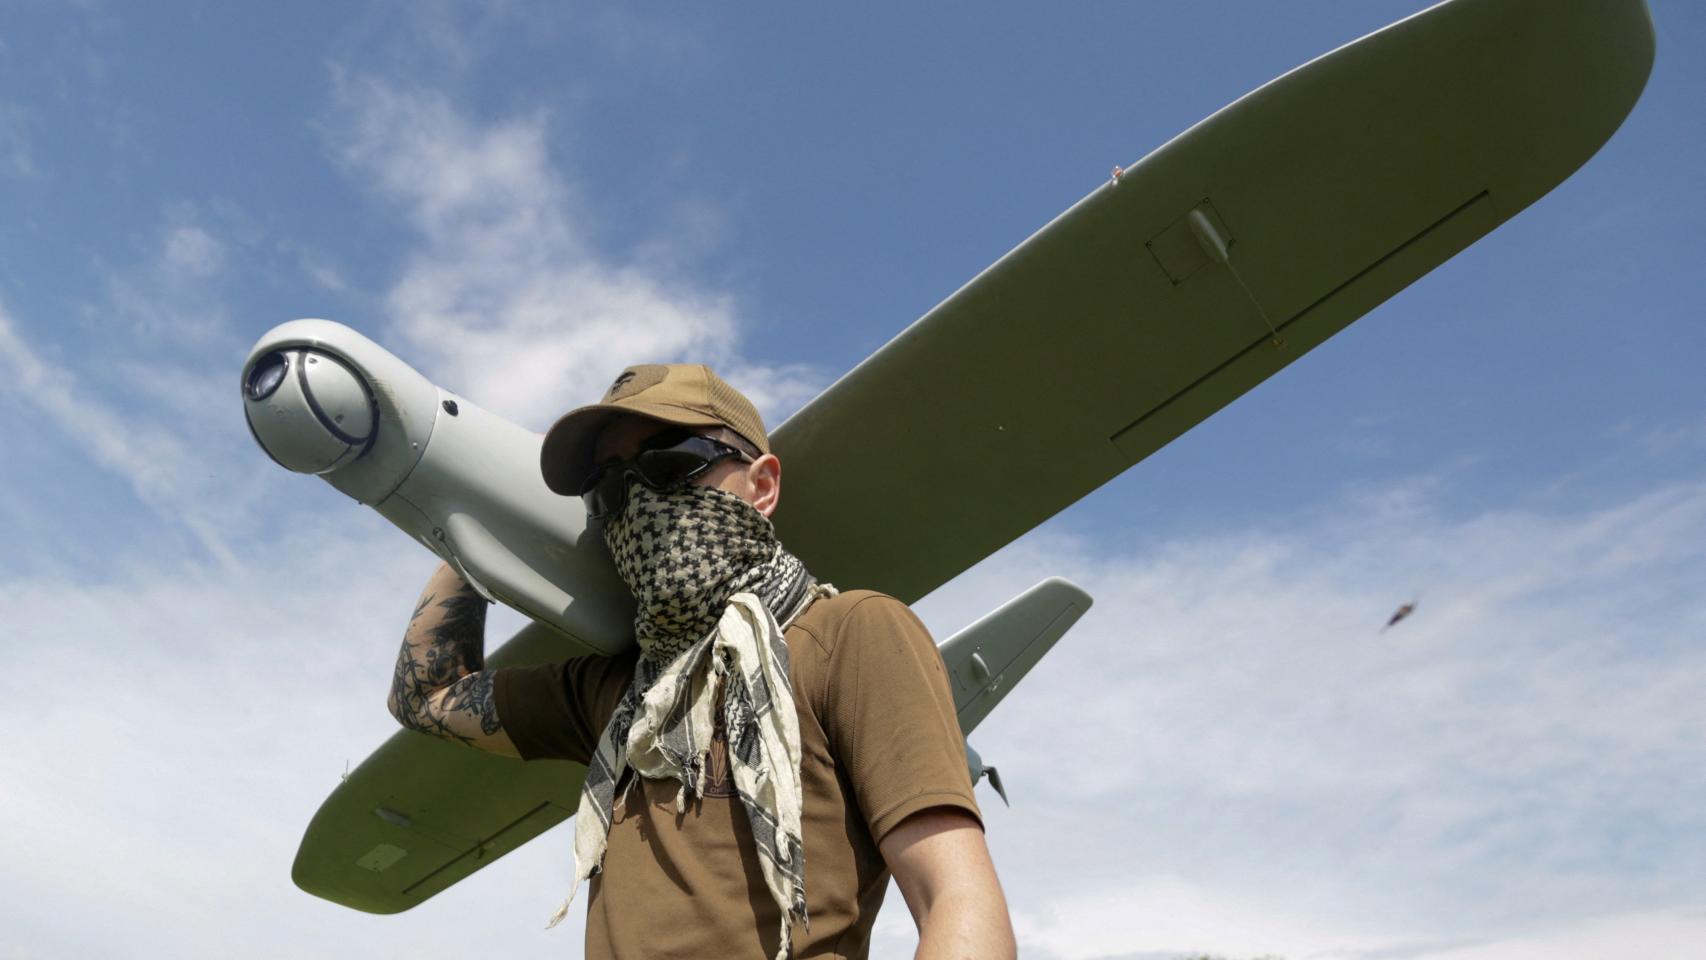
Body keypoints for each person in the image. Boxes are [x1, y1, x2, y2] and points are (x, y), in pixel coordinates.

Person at [387, 363, 1016, 959]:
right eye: (608, 487)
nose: (638, 500)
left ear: (762, 485)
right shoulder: (617, 697)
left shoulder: (847, 632)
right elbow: (428, 696)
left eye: (669, 462)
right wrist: (477, 518)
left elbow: (955, 896)